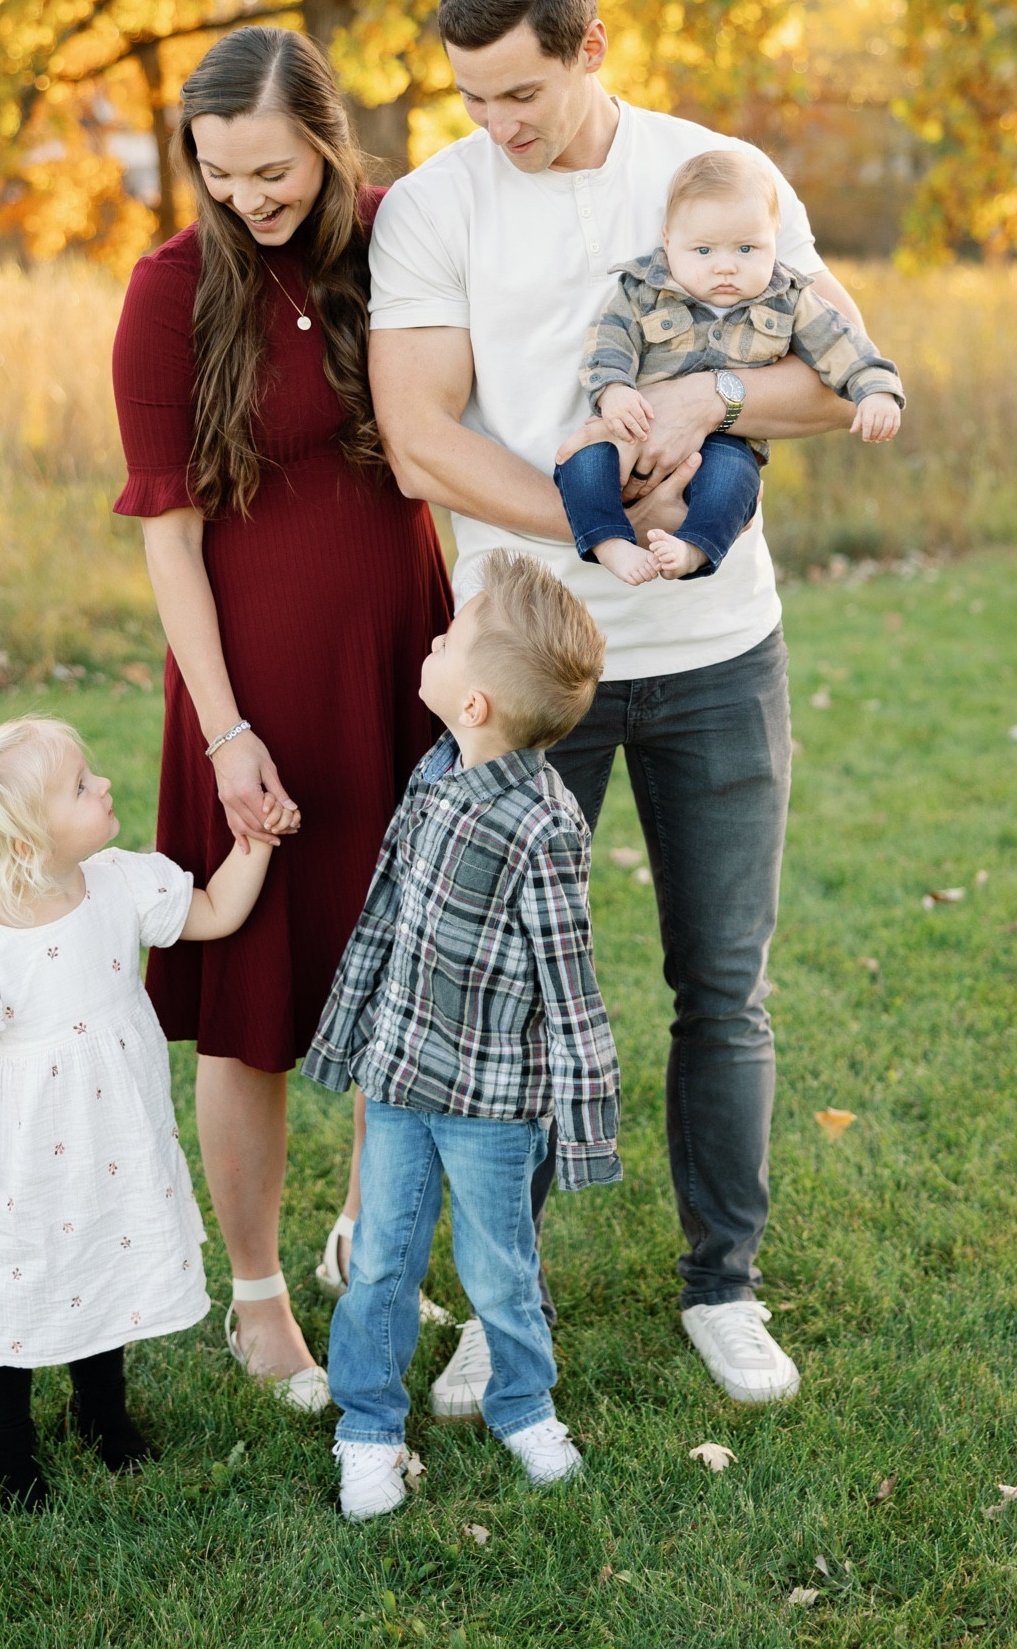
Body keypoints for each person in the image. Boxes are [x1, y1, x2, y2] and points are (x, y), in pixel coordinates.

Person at [369, 0, 880, 1410]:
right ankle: (499, 1302)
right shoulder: (434, 203)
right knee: (500, 998)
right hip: (525, 665)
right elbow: (420, 436)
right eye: (471, 96)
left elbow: (832, 373)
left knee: (721, 985)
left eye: (520, 93)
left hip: (717, 650)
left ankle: (724, 1285)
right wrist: (597, 524)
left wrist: (706, 391)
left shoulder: (717, 176)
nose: (496, 123)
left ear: (590, 50)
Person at [111, 27, 452, 1410]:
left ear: (326, 139)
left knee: (401, 975)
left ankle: (369, 1237)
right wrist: (224, 732)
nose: (247, 197)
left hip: (408, 665)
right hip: (252, 690)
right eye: (219, 171)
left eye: (273, 171)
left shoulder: (398, 236)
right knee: (252, 1001)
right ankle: (255, 1298)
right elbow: (169, 539)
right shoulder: (170, 290)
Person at [303, 553, 618, 1522]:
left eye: (446, 639)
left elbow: (571, 985)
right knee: (380, 1260)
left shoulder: (545, 825)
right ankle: (368, 1427)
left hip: (492, 1105)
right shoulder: (432, 776)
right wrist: (344, 1035)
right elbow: (383, 914)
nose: (431, 643)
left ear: (474, 702)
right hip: (401, 1079)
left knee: (500, 1271)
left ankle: (522, 1405)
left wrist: (584, 1129)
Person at [0, 717, 270, 1509]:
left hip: (109, 1139)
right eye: (78, 786)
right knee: (10, 1282)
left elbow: (214, 913)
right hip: (19, 1155)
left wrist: (258, 842)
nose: (102, 785)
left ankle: (102, 1413)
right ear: (28, 840)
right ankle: (5, 1445)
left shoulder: (118, 884)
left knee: (100, 1259)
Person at [556, 148, 904, 585]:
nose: (725, 266)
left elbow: (843, 343)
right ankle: (609, 542)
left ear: (774, 240)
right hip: (635, 429)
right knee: (584, 461)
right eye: (703, 250)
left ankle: (694, 548)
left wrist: (876, 390)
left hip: (726, 441)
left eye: (746, 248)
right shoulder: (643, 290)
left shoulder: (789, 299)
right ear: (668, 240)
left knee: (734, 481)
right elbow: (608, 341)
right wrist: (613, 391)